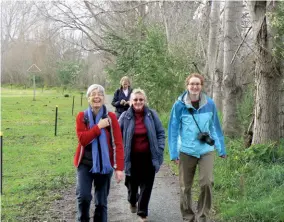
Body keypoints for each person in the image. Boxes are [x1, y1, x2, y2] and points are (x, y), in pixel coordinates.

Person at [168, 73, 227, 222]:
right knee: (185, 187)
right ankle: (188, 217)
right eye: (192, 84)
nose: (194, 87)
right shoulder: (179, 105)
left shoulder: (210, 104)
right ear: (187, 86)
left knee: (207, 183)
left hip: (206, 150)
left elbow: (215, 127)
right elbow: (173, 130)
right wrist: (173, 152)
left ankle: (202, 217)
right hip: (186, 151)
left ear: (202, 86)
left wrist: (221, 149)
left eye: (197, 84)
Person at [74, 84, 124, 222]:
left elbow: (118, 143)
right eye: (93, 94)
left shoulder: (111, 117)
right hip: (85, 164)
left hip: (104, 165)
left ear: (104, 98)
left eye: (100, 94)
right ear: (88, 98)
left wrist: (119, 168)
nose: (97, 97)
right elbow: (83, 140)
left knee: (101, 203)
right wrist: (98, 127)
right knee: (83, 197)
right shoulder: (82, 117)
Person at [118, 88, 165, 222]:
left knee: (147, 185)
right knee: (132, 187)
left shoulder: (152, 115)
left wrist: (160, 149)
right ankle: (132, 200)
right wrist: (119, 154)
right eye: (135, 99)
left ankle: (142, 213)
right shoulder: (125, 117)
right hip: (131, 158)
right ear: (131, 101)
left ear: (144, 101)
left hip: (148, 157)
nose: (138, 102)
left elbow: (161, 133)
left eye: (141, 99)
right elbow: (117, 136)